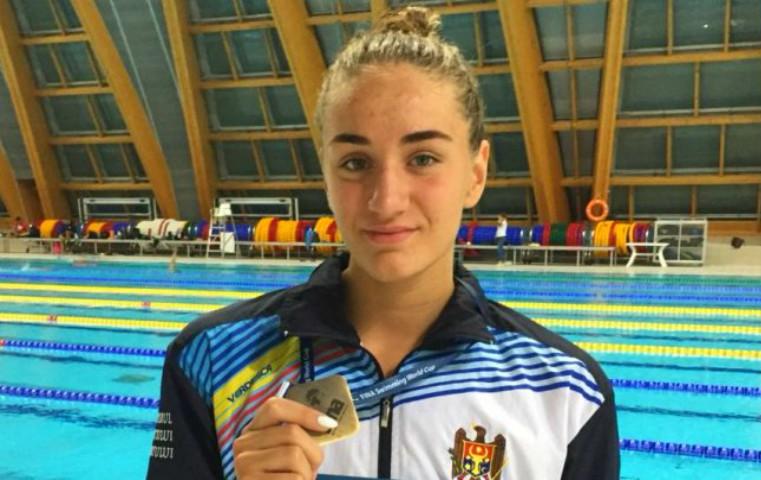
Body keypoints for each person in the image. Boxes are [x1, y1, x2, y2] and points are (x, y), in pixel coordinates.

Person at [146, 7, 618, 480]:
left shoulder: (567, 393)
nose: (386, 200)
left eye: (423, 158)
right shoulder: (213, 360)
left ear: (476, 173)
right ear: (326, 175)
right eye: (355, 162)